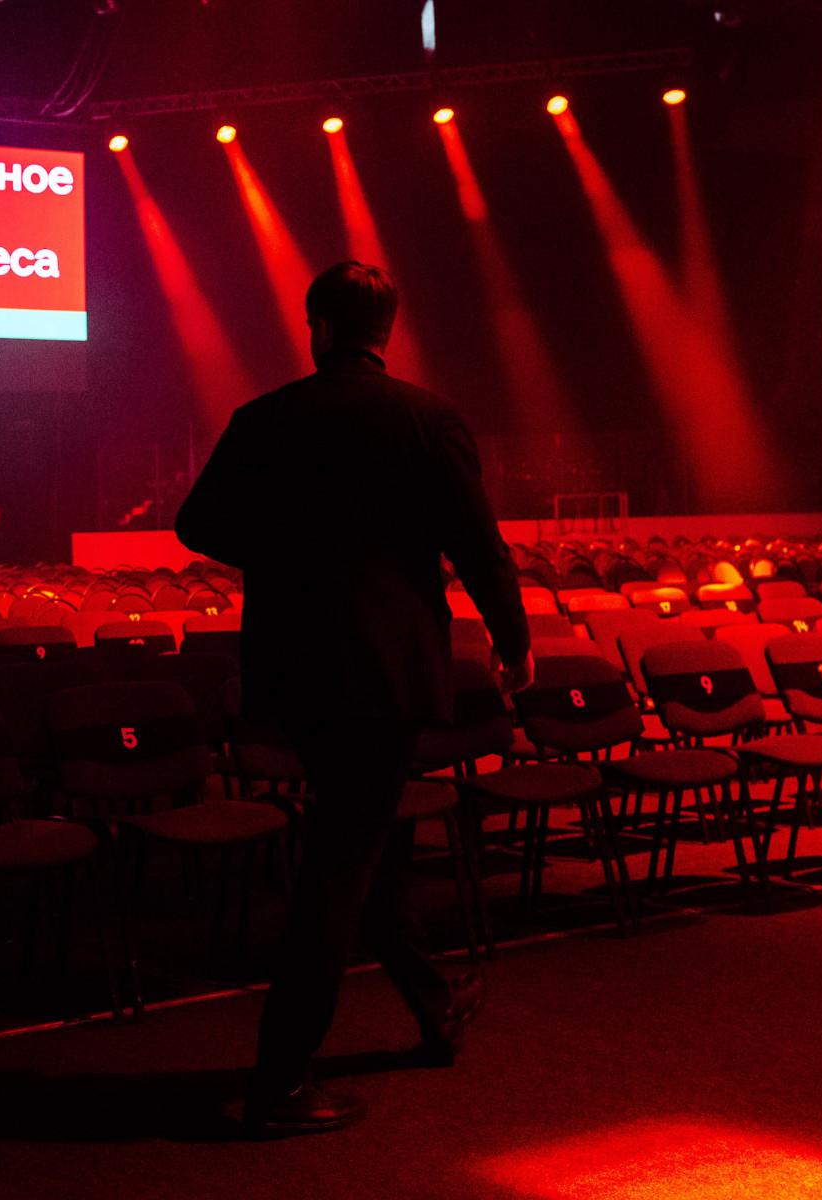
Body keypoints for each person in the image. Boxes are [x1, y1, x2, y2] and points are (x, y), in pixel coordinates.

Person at [175, 261, 533, 1137]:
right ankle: (280, 1080)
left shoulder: (264, 417)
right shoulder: (428, 419)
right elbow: (477, 544)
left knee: (358, 837)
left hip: (296, 666)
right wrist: (513, 640)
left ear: (319, 328)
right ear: (385, 332)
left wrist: (289, 552)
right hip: (386, 669)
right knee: (343, 858)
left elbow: (196, 524)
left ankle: (435, 1000)